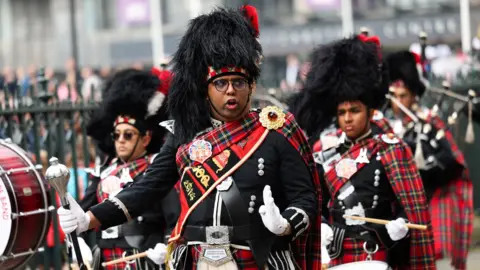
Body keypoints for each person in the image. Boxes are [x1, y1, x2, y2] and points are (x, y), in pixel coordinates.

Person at [57, 5, 322, 270]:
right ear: (205, 88)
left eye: (238, 82)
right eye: (221, 83)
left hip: (258, 258)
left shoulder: (273, 129)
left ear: (250, 85)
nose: (231, 91)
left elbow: (305, 199)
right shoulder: (184, 134)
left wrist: (286, 223)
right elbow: (148, 188)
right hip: (198, 259)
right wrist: (89, 218)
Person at [290, 34, 436, 269]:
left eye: (355, 110)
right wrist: (324, 224)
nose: (347, 118)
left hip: (375, 251)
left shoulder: (391, 149)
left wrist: (400, 224)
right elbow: (319, 202)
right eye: (342, 112)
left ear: (370, 112)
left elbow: (408, 205)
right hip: (336, 253)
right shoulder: (325, 152)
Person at [66, 68, 179, 269]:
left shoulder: (156, 167)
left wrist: (168, 247)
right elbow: (81, 214)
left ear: (145, 139)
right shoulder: (104, 171)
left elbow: (174, 219)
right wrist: (77, 241)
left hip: (145, 259)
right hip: (107, 260)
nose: (120, 141)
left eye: (128, 135)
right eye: (116, 135)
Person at [384, 50, 473, 270]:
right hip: (396, 206)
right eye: (393, 96)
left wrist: (425, 170)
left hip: (427, 200)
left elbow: (451, 161)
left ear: (414, 95)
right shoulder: (386, 127)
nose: (398, 102)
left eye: (403, 95)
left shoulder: (428, 121)